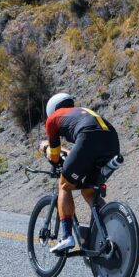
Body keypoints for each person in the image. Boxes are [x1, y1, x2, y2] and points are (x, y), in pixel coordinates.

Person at [40, 92, 121, 253]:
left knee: (65, 185)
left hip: (88, 138)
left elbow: (55, 157)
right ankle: (109, 233)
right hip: (112, 141)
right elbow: (80, 150)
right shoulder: (80, 112)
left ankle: (67, 237)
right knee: (89, 191)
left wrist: (45, 147)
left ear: (52, 110)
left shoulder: (52, 119)